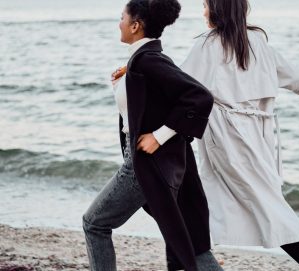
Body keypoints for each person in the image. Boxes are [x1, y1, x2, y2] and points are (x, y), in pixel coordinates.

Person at [178, 0, 299, 270]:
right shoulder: (254, 39)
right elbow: (286, 70)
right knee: (219, 192)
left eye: (205, 5)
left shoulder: (212, 44)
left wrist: (142, 77)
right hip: (256, 131)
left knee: (259, 196)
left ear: (218, 9)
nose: (202, 12)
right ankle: (201, 252)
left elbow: (179, 81)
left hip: (227, 133)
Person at [82, 0, 224, 270]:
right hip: (163, 165)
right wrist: (127, 79)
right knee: (191, 244)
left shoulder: (147, 60)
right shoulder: (142, 60)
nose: (119, 23)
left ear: (135, 26)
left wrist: (159, 135)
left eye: (122, 17)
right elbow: (159, 99)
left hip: (144, 167)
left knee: (94, 224)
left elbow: (200, 97)